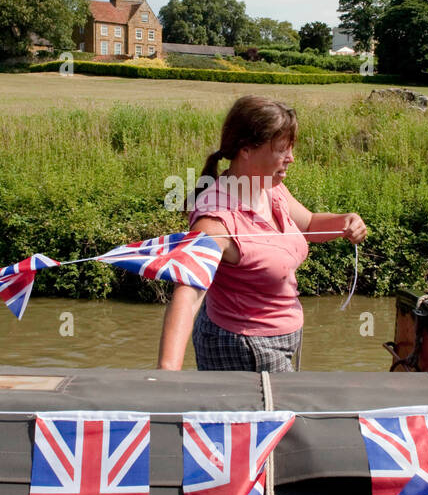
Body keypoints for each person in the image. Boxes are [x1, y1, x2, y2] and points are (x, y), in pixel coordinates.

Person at [156, 95, 368, 372]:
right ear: (246, 149)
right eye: (282, 150)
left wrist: (345, 222)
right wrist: (167, 371)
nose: (291, 159)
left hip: (276, 339)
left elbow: (309, 224)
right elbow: (188, 294)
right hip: (244, 348)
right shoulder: (215, 222)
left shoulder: (268, 186)